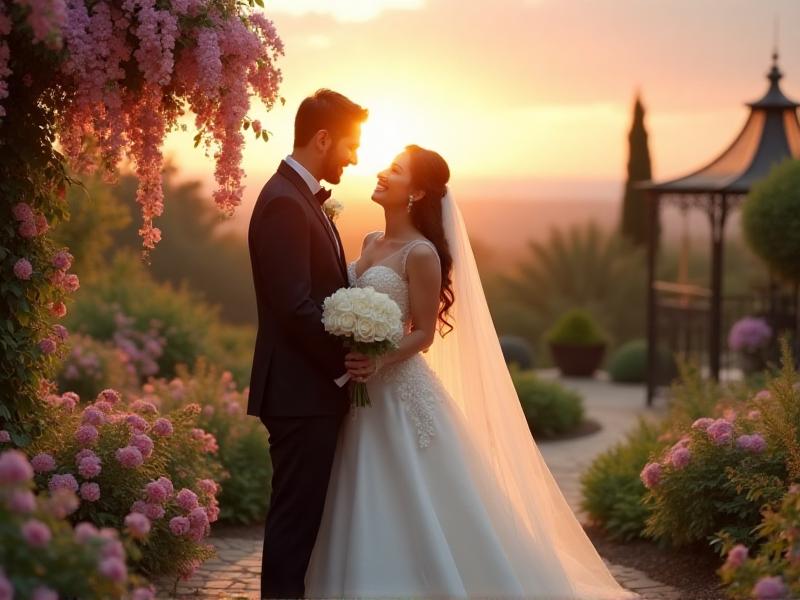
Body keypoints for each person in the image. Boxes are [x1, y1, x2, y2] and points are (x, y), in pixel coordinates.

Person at [304, 145, 639, 600]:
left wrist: (376, 359)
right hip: (362, 397)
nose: (382, 173)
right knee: (366, 495)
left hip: (399, 393)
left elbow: (422, 333)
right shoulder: (367, 242)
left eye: (396, 171)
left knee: (421, 496)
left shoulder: (421, 254)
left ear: (418, 191)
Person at [246, 89, 371, 600]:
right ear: (322, 138)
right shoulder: (283, 203)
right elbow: (295, 308)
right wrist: (345, 362)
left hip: (309, 392)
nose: (355, 158)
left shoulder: (299, 197)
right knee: (294, 527)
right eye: (350, 145)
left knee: (302, 524)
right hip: (300, 394)